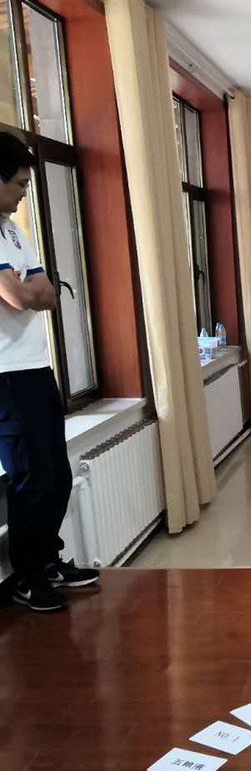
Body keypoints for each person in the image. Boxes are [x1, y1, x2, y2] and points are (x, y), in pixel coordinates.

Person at [0, 132, 98, 611]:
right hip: (6, 376)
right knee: (31, 476)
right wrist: (26, 290)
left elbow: (47, 294)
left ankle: (48, 559)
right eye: (19, 183)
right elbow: (22, 297)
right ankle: (27, 574)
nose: (24, 193)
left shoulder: (14, 231)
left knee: (57, 474)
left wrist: (27, 289)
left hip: (37, 367)